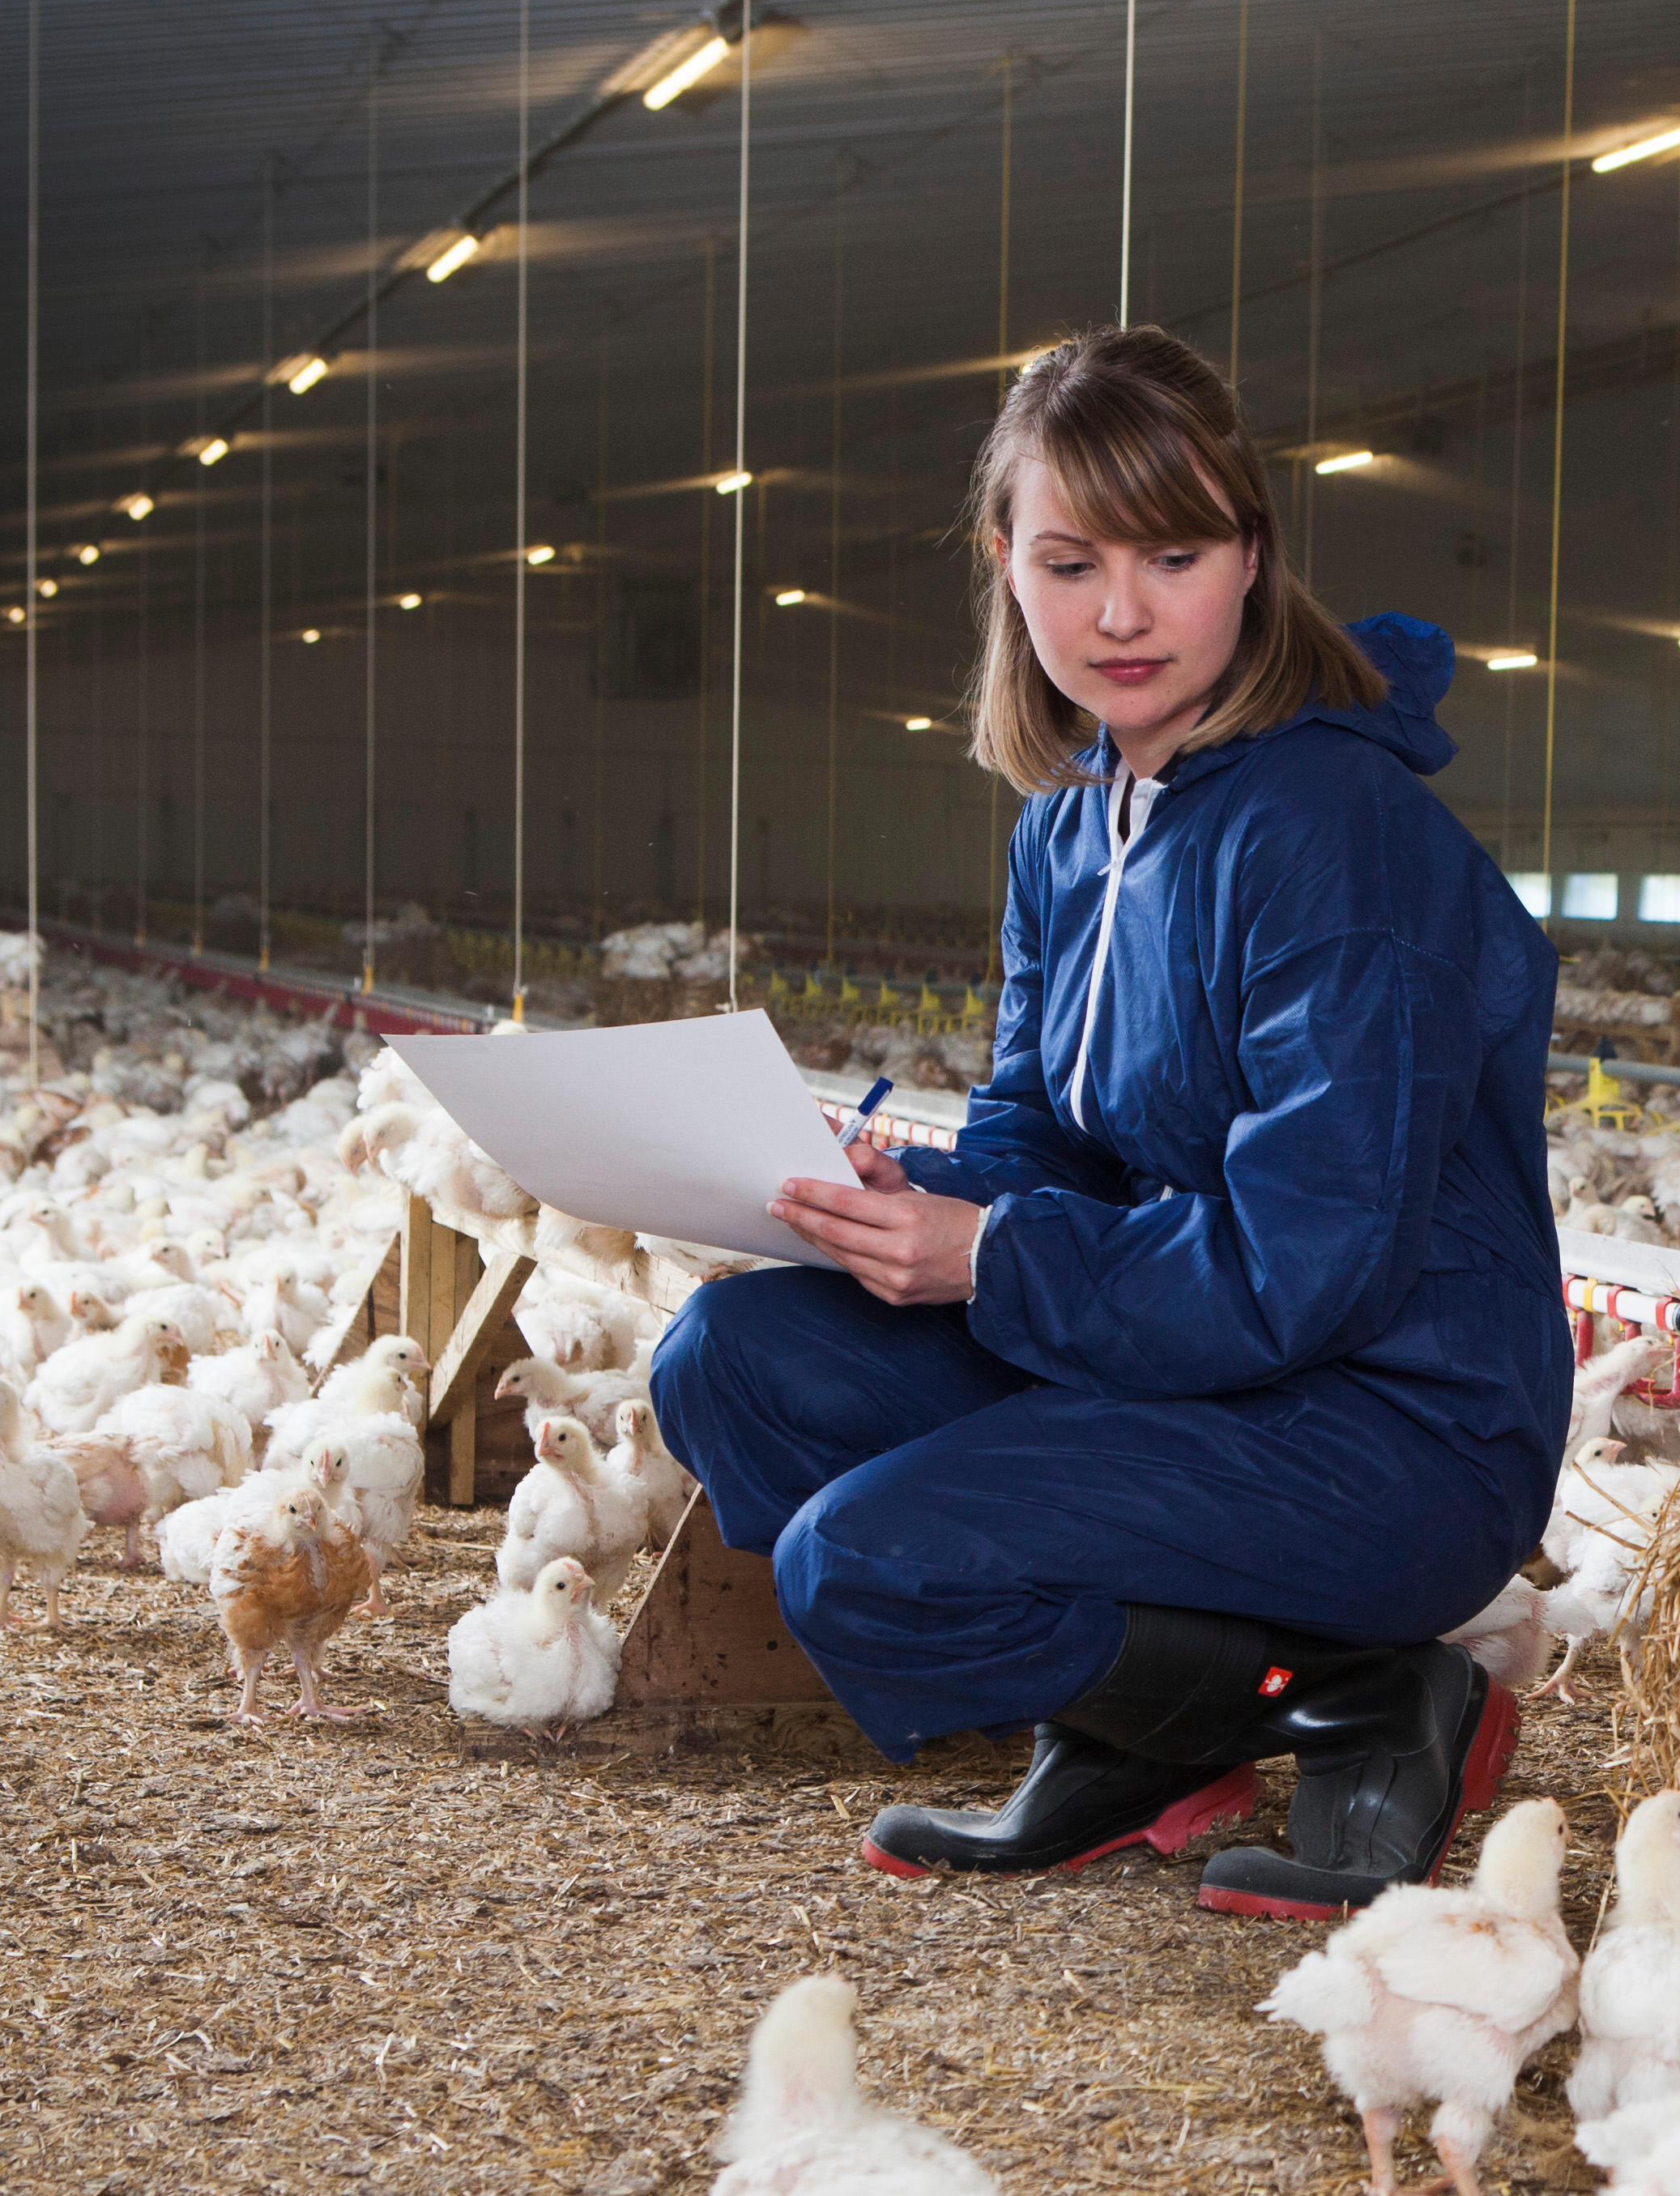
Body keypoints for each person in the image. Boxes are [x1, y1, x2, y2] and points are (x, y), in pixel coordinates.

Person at [647, 326, 1564, 1920]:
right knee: (733, 1361)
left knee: (865, 1561)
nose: (1121, 615)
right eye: (1072, 564)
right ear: (1007, 567)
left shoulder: (1334, 835)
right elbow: (1041, 1136)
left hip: (1389, 1423)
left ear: (1253, 559)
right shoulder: (1070, 826)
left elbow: (1312, 1265)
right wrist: (900, 1195)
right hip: (1188, 1359)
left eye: (1174, 557)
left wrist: (990, 1259)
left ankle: (1363, 1694)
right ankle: (1150, 1728)